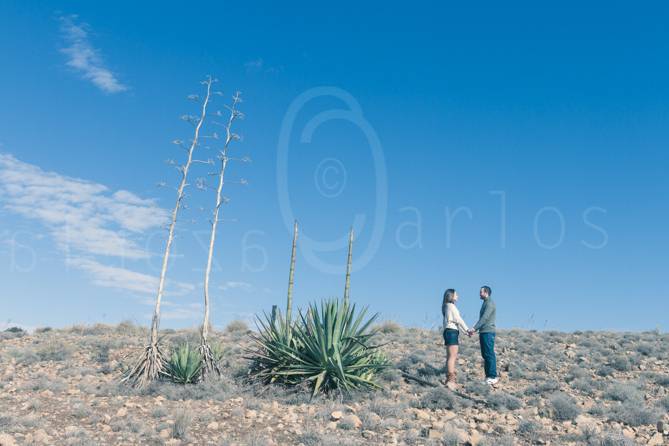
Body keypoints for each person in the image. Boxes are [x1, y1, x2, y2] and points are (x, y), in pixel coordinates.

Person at [468, 285, 498, 385]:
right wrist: (475, 329)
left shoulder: (490, 303)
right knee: (485, 354)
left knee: (489, 353)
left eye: (481, 292)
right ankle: (488, 376)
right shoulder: (485, 303)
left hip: (488, 332)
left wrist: (474, 328)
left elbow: (484, 318)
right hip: (484, 332)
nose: (479, 294)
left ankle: (493, 376)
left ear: (486, 293)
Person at [441, 288, 469, 390]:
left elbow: (456, 321)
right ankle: (451, 381)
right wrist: (467, 330)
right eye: (456, 294)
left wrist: (465, 331)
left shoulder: (446, 306)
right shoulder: (451, 306)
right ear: (451, 296)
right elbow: (458, 320)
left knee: (449, 357)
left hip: (448, 331)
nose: (458, 296)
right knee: (452, 357)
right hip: (452, 332)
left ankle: (449, 379)